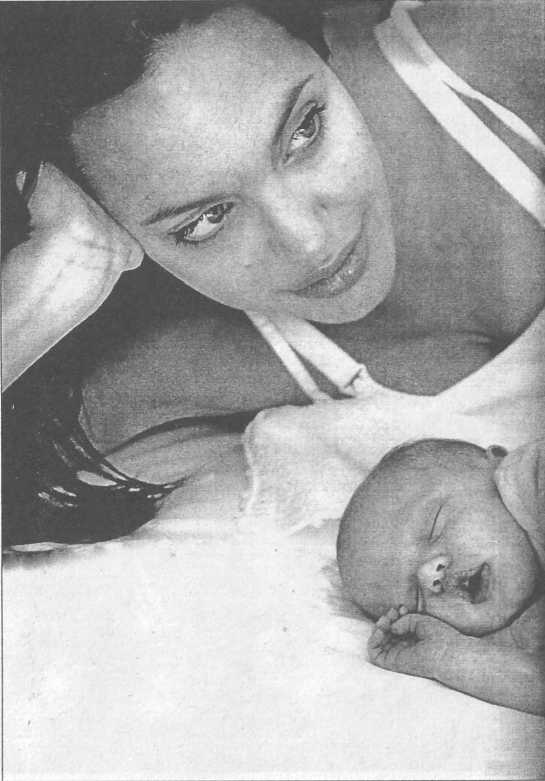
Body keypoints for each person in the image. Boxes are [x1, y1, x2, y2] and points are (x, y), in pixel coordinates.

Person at [2, 0, 544, 545]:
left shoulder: (496, 56)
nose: (308, 242)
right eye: (207, 220)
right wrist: (31, 307)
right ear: (116, 232)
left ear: (325, 42)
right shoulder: (183, 363)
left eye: (305, 131)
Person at [337, 438, 545, 715]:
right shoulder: (520, 633)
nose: (430, 576)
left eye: (435, 527)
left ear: (496, 464)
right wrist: (448, 655)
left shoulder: (529, 476)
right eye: (417, 600)